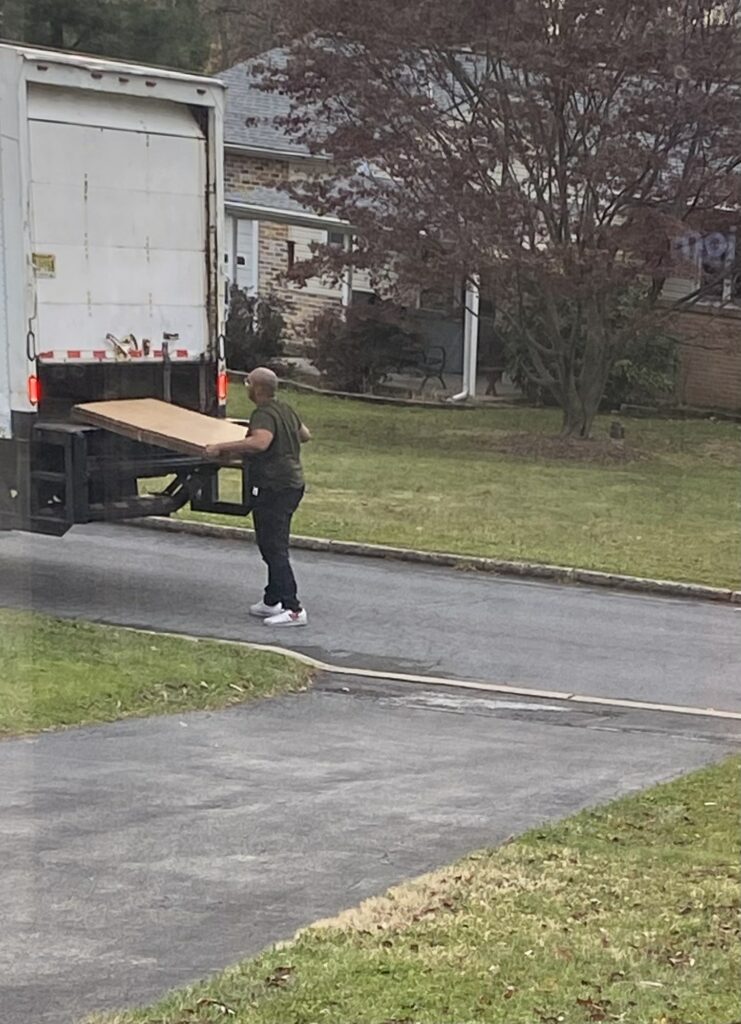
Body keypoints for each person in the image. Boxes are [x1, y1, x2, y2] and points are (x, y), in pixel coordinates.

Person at [204, 367, 311, 627]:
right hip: (293, 483)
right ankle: (271, 599)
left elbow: (260, 442)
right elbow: (305, 435)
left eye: (248, 383)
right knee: (271, 544)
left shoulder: (263, 414)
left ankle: (293, 608)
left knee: (274, 548)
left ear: (258, 388)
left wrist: (221, 447)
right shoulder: (285, 409)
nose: (246, 386)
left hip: (274, 487)